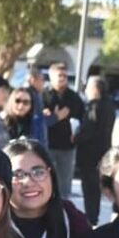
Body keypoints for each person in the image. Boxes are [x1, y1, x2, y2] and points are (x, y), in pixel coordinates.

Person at [76, 76, 116, 226]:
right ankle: (93, 216)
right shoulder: (109, 106)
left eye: (88, 87)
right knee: (96, 188)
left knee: (89, 188)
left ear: (95, 89)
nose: (86, 90)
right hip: (103, 151)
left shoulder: (95, 106)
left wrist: (75, 137)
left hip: (90, 154)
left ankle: (91, 218)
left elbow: (88, 130)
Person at [42, 62, 85, 200]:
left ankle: (64, 212)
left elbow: (83, 118)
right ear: (52, 77)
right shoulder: (44, 96)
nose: (63, 79)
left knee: (65, 185)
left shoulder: (74, 97)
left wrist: (77, 134)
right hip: (48, 145)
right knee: (46, 181)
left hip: (67, 146)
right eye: (59, 76)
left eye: (65, 76)